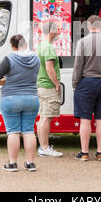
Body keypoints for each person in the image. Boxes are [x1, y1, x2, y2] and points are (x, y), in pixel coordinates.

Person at [0, 35, 40, 172]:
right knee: (28, 131)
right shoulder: (36, 58)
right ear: (26, 44)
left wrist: (5, 80)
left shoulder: (9, 59)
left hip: (11, 99)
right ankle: (30, 163)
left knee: (13, 132)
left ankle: (12, 163)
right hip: (31, 99)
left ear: (13, 46)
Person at [72, 15, 101, 161]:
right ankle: (100, 152)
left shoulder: (83, 42)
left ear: (89, 26)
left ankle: (84, 152)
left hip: (87, 82)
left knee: (85, 119)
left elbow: (78, 65)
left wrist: (75, 83)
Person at [36, 21, 63, 157]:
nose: (58, 31)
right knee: (47, 117)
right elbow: (49, 68)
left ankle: (43, 146)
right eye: (57, 29)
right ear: (52, 31)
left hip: (41, 85)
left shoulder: (40, 45)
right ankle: (45, 147)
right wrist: (57, 84)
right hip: (48, 86)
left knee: (43, 117)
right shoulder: (49, 48)